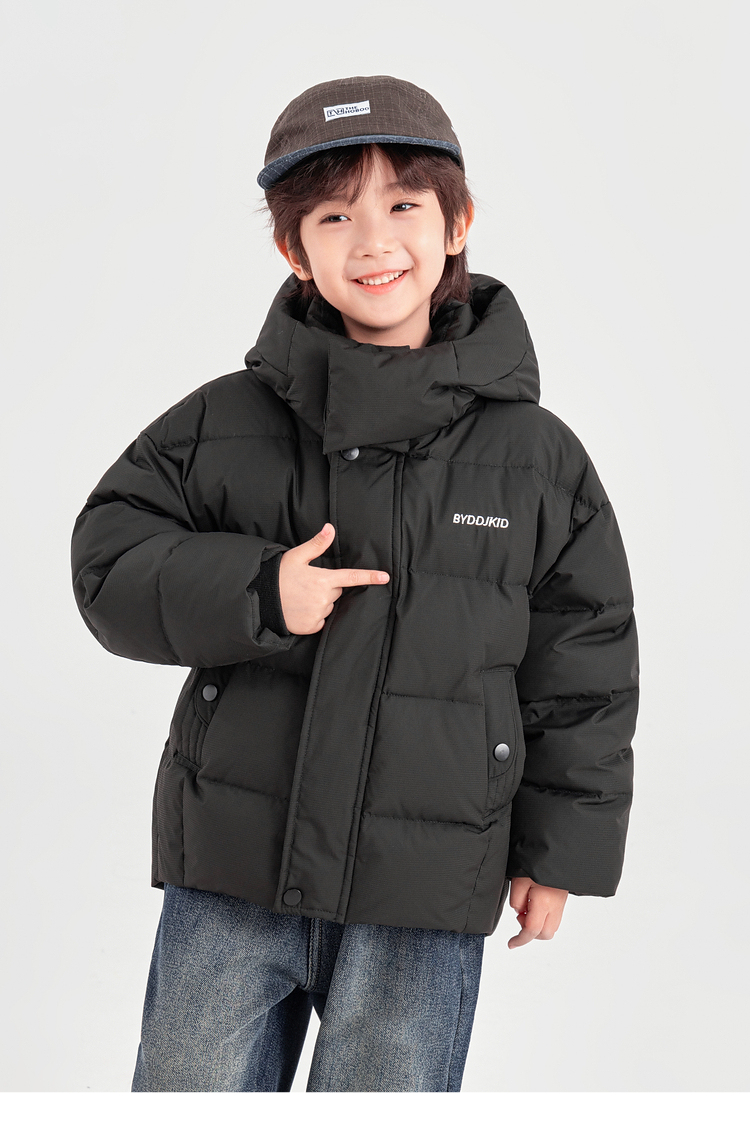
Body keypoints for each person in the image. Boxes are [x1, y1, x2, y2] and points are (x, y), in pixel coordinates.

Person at [71, 75, 639, 1093]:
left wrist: (558, 851)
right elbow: (108, 553)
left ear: (457, 222)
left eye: (403, 205)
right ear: (294, 249)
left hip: (426, 886)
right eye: (335, 215)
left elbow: (585, 662)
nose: (374, 241)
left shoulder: (537, 461)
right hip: (234, 867)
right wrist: (257, 590)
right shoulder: (227, 422)